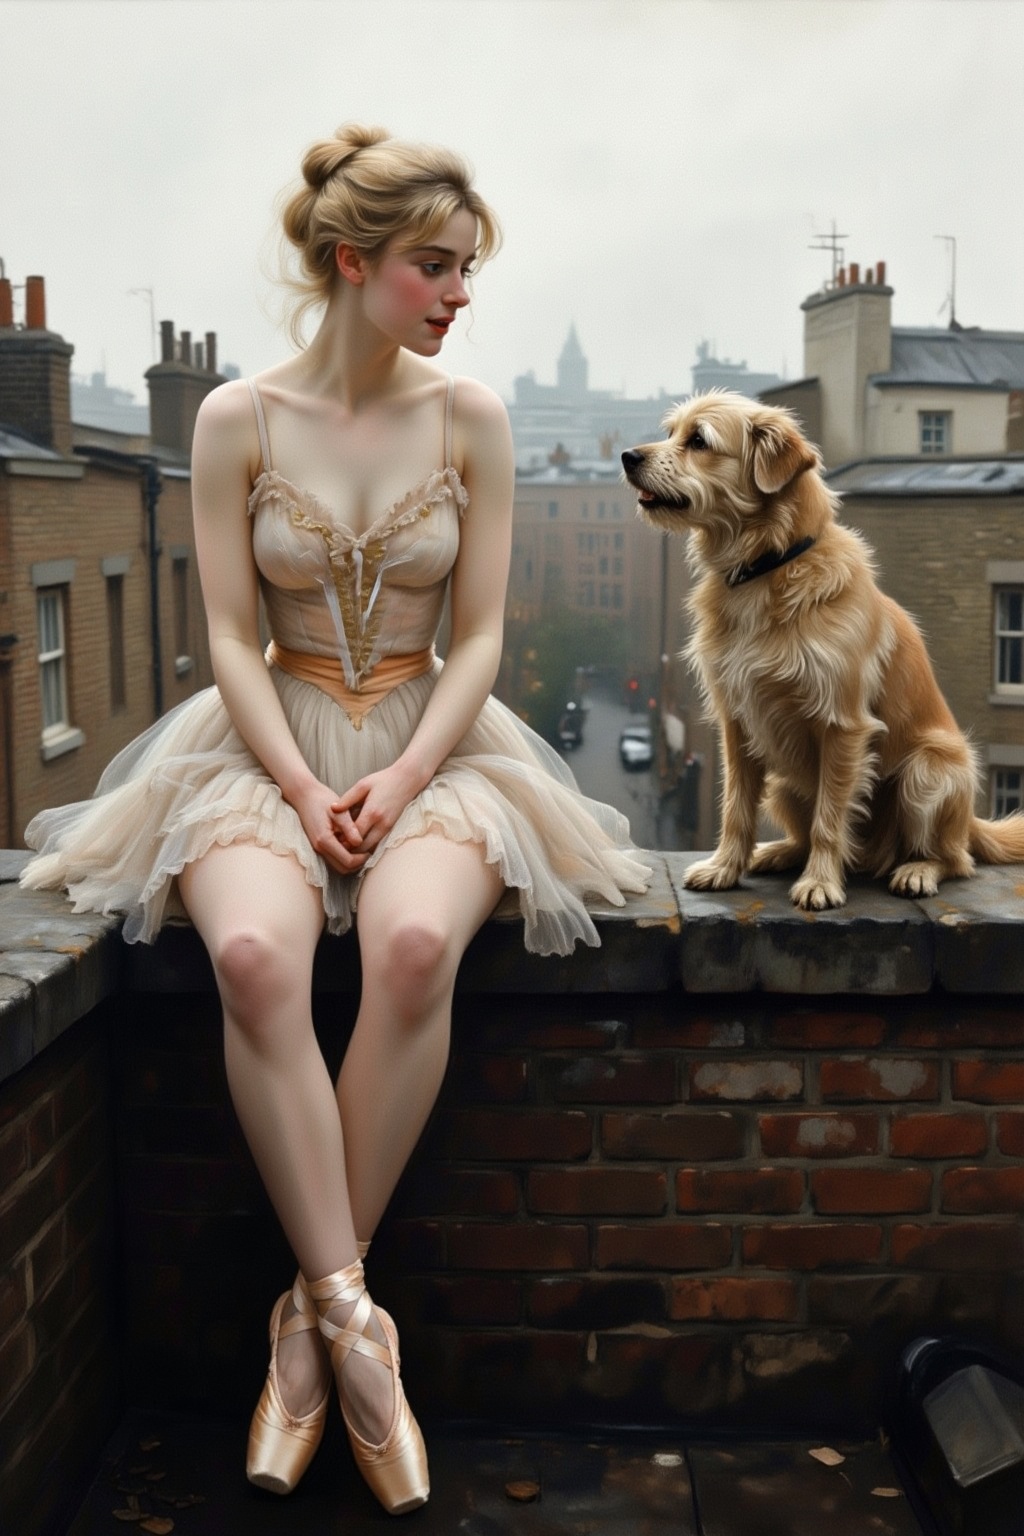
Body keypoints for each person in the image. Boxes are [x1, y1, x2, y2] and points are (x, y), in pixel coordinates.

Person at [21, 124, 651, 1514]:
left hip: (435, 747)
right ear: (352, 261)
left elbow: (479, 638)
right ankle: (359, 1332)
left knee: (414, 948)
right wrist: (305, 790)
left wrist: (408, 772)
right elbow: (232, 642)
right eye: (436, 265)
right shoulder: (234, 419)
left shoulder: (471, 415)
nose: (458, 292)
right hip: (264, 748)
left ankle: (300, 1337)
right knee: (253, 961)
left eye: (468, 268)